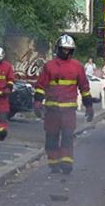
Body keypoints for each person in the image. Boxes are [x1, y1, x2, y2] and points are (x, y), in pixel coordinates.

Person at [34, 35, 93, 174]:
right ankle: (53, 163)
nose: (66, 52)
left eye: (69, 50)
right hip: (52, 110)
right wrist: (37, 102)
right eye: (64, 49)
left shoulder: (77, 66)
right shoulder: (49, 66)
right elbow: (40, 86)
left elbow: (84, 88)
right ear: (58, 49)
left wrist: (89, 107)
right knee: (51, 138)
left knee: (67, 137)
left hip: (68, 112)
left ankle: (66, 163)